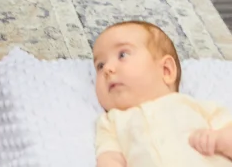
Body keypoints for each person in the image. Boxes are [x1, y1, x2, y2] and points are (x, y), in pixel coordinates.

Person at [93, 21, 232, 164]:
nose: (107, 69)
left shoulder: (195, 106)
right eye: (100, 65)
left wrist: (219, 140)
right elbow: (109, 159)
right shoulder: (111, 122)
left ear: (166, 70)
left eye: (122, 54)